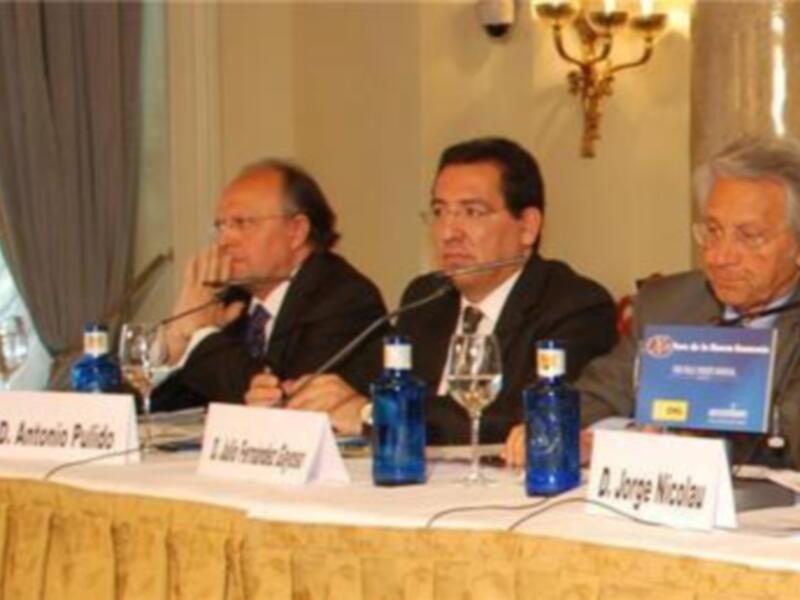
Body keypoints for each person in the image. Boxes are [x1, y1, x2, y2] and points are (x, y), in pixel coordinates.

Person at [247, 137, 618, 442]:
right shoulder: (427, 297)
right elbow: (370, 382)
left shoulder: (574, 305)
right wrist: (297, 399)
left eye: (471, 212)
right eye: (440, 212)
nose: (448, 232)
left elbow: (513, 417)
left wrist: (372, 413)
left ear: (527, 226)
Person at [503, 135, 800, 470]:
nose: (720, 257)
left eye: (749, 236)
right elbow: (598, 395)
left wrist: (630, 442)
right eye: (713, 231)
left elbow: (787, 440)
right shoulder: (668, 305)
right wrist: (560, 428)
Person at [151, 159, 386, 433]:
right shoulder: (229, 300)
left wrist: (202, 334)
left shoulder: (343, 297)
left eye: (241, 223)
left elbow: (283, 400)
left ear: (296, 231)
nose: (225, 240)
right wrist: (178, 336)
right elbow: (166, 408)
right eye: (221, 226)